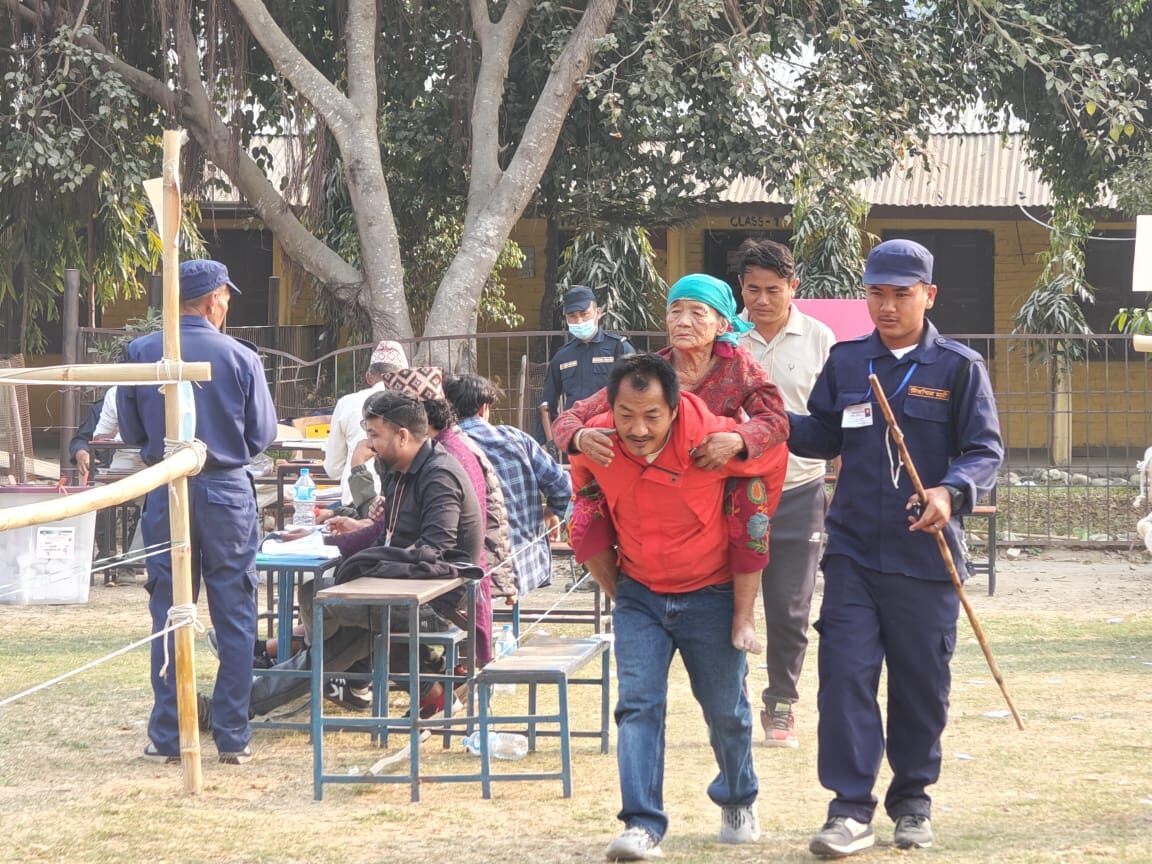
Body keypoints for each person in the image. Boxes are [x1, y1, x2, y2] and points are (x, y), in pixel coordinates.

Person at [788, 239, 1003, 858]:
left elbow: (985, 451)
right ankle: (849, 810)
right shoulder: (848, 361)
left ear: (928, 296)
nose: (887, 306)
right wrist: (770, 418)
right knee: (844, 677)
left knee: (920, 685)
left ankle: (911, 802)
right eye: (876, 293)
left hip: (925, 558)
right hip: (853, 552)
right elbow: (823, 434)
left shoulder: (959, 367)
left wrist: (949, 493)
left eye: (901, 294)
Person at [566, 353, 788, 861]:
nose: (638, 429)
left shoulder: (712, 440)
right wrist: (577, 437)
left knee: (725, 711)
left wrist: (741, 441)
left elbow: (775, 451)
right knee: (637, 706)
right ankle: (642, 824)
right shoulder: (599, 443)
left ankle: (738, 797)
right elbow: (575, 460)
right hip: (640, 592)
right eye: (626, 415)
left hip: (711, 591)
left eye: (652, 416)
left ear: (674, 408)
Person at [553, 272, 790, 652]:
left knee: (752, 506)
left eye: (697, 312)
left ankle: (744, 616)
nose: (683, 321)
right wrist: (580, 437)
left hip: (711, 473)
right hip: (647, 475)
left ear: (722, 324)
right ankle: (627, 602)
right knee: (581, 517)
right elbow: (571, 416)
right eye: (675, 311)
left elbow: (776, 420)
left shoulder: (739, 367)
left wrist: (737, 439)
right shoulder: (649, 371)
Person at [118, 259, 277, 765]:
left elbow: (131, 432)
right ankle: (232, 735)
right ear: (212, 301)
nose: (227, 305)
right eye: (226, 297)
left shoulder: (141, 352)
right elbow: (261, 435)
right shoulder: (240, 356)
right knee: (235, 614)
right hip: (227, 491)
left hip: (165, 486)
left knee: (169, 611)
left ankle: (168, 734)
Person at [248, 390, 483, 719]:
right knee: (318, 598)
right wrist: (327, 540)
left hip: (439, 599)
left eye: (374, 435)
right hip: (402, 588)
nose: (369, 444)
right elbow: (385, 531)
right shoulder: (398, 470)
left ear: (403, 436)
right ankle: (428, 685)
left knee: (339, 624)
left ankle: (245, 702)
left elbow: (434, 552)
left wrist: (372, 565)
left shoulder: (439, 476)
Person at [737, 239, 836, 749]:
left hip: (800, 491)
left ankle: (781, 706)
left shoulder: (821, 339)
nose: (762, 300)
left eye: (773, 290)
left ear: (793, 287)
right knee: (727, 603)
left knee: (791, 608)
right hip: (733, 492)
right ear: (741, 288)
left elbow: (837, 422)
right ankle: (731, 699)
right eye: (753, 289)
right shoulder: (727, 340)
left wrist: (840, 490)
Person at [444, 373, 571, 597]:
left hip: (468, 571)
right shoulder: (517, 439)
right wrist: (550, 512)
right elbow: (563, 488)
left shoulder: (443, 448)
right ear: (483, 408)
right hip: (523, 566)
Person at [539, 285, 635, 436]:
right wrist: (546, 443)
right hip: (575, 437)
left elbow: (636, 394)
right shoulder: (562, 357)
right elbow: (547, 405)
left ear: (598, 313)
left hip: (612, 434)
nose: (579, 321)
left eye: (584, 314)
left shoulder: (619, 348)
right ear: (566, 319)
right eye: (572, 316)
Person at [324, 340, 409, 505]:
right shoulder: (412, 403)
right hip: (388, 502)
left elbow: (333, 469)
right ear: (404, 377)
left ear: (369, 377)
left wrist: (356, 465)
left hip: (357, 499)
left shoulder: (346, 403)